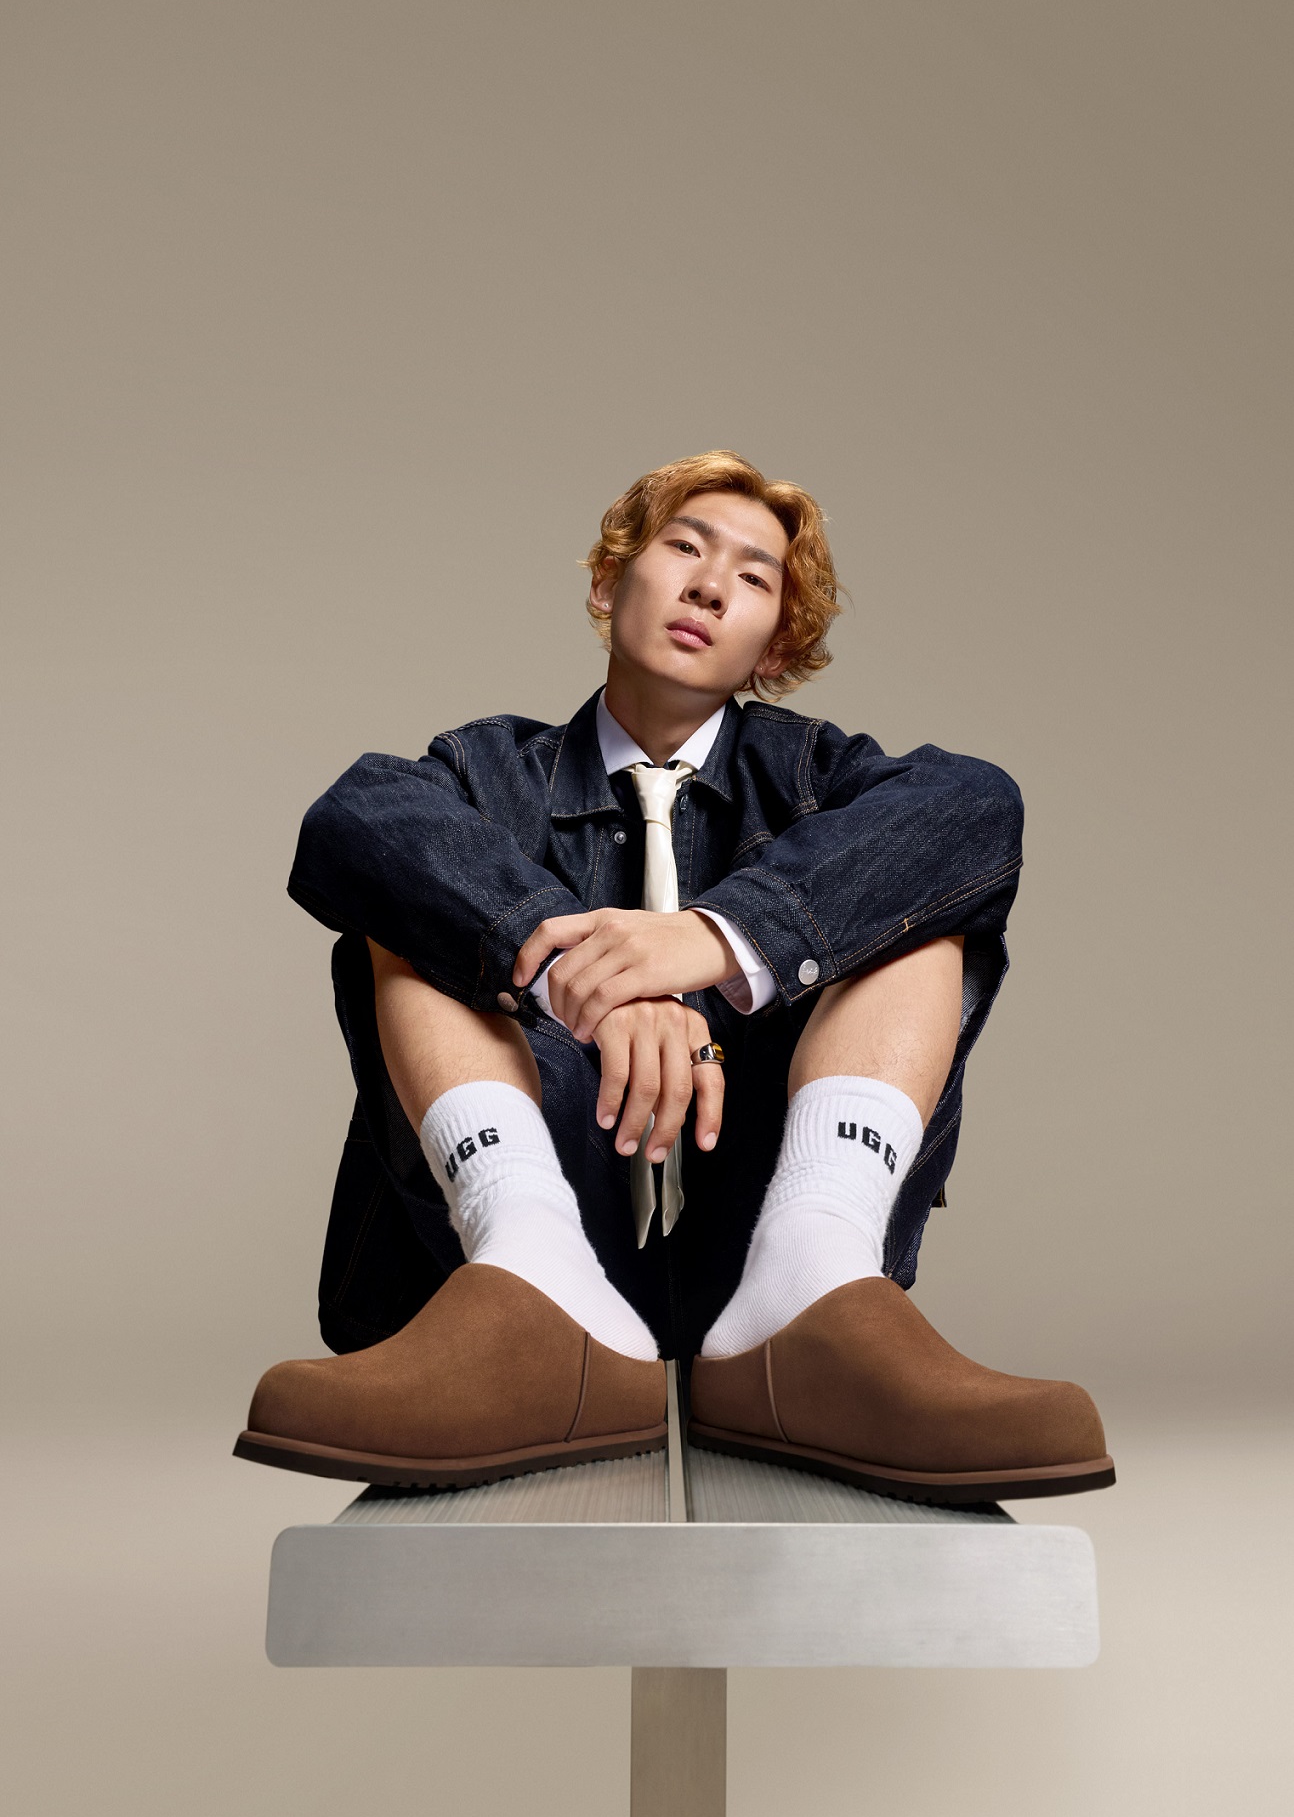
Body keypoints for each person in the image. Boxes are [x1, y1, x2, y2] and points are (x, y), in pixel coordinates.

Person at [235, 450, 1113, 1504]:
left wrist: (714, 937)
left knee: (918, 908)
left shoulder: (817, 775)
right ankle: (532, 1264)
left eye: (753, 576)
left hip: (762, 1230)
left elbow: (976, 805)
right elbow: (354, 818)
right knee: (412, 906)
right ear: (612, 583)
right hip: (529, 1230)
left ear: (774, 643)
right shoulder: (486, 771)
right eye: (685, 549)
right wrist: (588, 972)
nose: (709, 586)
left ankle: (810, 1278)